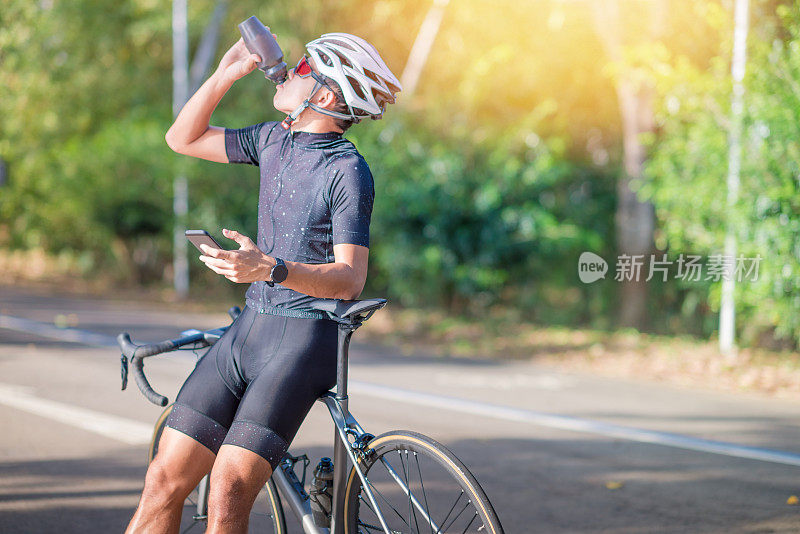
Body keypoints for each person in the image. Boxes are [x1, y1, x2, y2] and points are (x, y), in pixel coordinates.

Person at [125, 30, 401, 534]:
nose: (287, 70)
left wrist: (272, 268)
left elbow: (350, 280)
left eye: (301, 68)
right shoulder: (274, 139)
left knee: (230, 485)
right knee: (163, 477)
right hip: (250, 328)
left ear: (325, 96)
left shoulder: (347, 170)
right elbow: (180, 139)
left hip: (304, 340)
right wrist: (226, 71)